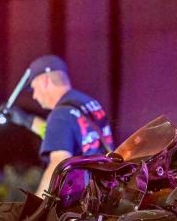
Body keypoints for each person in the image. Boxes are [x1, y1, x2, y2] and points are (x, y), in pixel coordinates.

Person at [24, 55, 114, 196]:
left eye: (34, 88)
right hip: (107, 190)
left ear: (45, 81)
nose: (34, 96)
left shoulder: (59, 115)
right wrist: (26, 120)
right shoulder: (89, 104)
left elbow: (58, 164)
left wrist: (38, 209)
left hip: (86, 201)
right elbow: (61, 134)